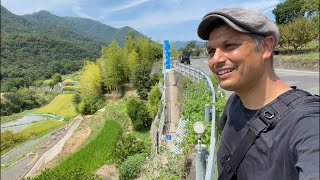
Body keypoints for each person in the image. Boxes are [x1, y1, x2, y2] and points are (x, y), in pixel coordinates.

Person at [197, 7, 319, 180]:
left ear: (266, 47)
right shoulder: (234, 104)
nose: (215, 59)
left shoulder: (308, 122)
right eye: (211, 51)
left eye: (230, 46)